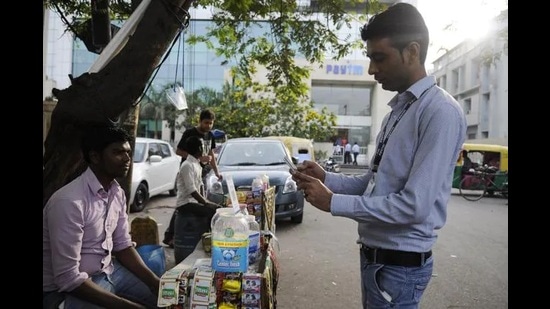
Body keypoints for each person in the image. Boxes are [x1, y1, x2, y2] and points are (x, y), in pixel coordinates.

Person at [290, 3, 467, 308]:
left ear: (412, 52)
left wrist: (332, 202)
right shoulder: (398, 111)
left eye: (379, 58)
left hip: (399, 267)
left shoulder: (440, 112)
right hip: (378, 262)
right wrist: (325, 177)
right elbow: (374, 184)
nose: (372, 70)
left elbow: (414, 206)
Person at [43, 126, 160, 309]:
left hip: (109, 272)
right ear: (95, 156)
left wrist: (156, 282)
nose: (127, 159)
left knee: (167, 298)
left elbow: (122, 245)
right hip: (66, 290)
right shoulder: (69, 201)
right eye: (118, 152)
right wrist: (126, 306)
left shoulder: (117, 193)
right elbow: (68, 278)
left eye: (128, 152)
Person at [163, 109, 222, 247]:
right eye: (206, 122)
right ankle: (170, 235)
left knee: (201, 201)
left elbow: (211, 154)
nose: (208, 126)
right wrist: (196, 157)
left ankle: (203, 236)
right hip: (190, 168)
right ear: (200, 121)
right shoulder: (190, 134)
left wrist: (216, 172)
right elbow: (178, 150)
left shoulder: (210, 135)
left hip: (201, 170)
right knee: (184, 203)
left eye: (210, 123)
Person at [172, 135, 222, 263]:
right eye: (202, 147)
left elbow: (200, 186)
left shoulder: (197, 164)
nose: (205, 149)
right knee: (213, 212)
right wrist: (206, 203)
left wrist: (207, 202)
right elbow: (191, 190)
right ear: (198, 149)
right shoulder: (187, 165)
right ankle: (208, 240)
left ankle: (208, 237)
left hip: (194, 202)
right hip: (185, 203)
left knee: (217, 208)